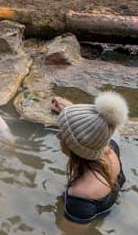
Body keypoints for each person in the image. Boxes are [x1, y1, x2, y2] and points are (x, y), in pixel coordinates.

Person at [50, 91, 129, 223]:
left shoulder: (79, 198)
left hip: (86, 216)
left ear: (75, 147)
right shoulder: (110, 147)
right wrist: (71, 111)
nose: (58, 136)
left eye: (63, 133)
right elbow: (108, 125)